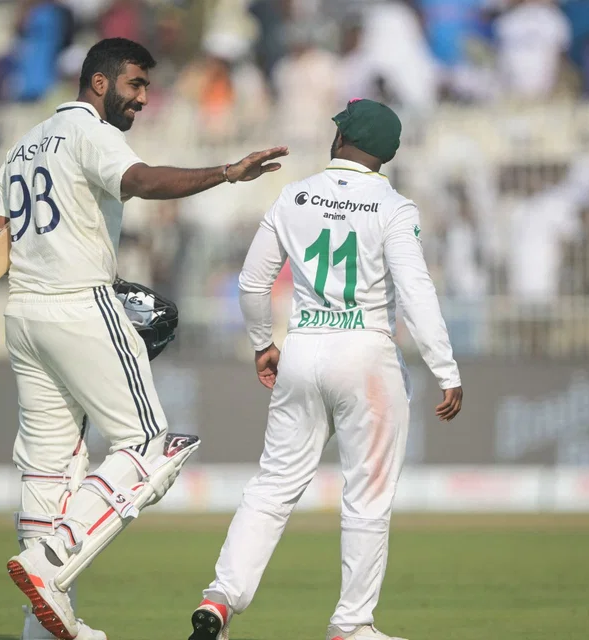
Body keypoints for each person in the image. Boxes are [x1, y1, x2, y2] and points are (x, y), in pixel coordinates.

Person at [0, 37, 287, 640]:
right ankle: (48, 563)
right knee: (150, 446)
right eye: (135, 85)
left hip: (22, 313)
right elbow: (141, 180)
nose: (143, 99)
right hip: (78, 302)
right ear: (99, 83)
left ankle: (41, 628)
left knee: (48, 469)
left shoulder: (22, 145)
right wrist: (228, 172)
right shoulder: (89, 131)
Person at [187, 99, 463, 640]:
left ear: (342, 142)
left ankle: (219, 599)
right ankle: (351, 625)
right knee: (367, 495)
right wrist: (445, 368)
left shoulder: (295, 195)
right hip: (366, 354)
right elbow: (416, 294)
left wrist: (264, 343)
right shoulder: (395, 206)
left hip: (304, 346)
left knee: (272, 486)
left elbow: (250, 284)